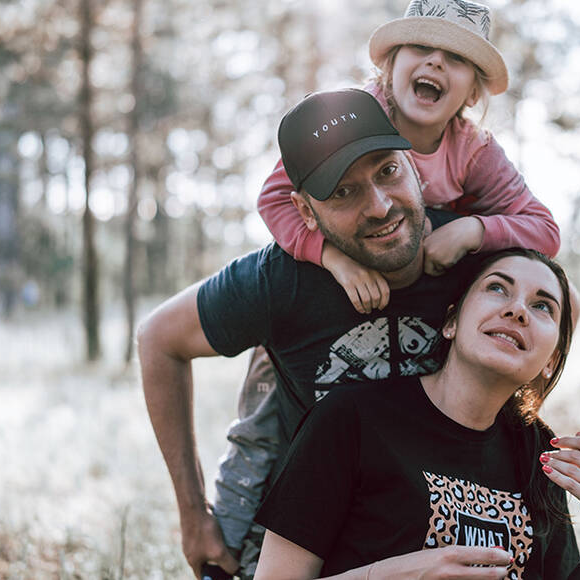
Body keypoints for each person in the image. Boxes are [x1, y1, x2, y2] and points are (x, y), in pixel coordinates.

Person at [139, 88, 487, 579]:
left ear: (414, 166)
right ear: (306, 213)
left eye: (387, 171)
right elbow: (158, 338)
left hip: (446, 531)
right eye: (343, 192)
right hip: (314, 539)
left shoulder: (478, 263)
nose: (380, 206)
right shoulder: (282, 278)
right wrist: (194, 516)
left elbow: (557, 307)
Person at [253, 250, 580, 579]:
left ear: (550, 359)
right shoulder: (351, 420)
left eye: (543, 307)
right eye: (497, 288)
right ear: (450, 322)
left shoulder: (541, 455)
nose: (517, 310)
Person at [258, 0, 560, 314]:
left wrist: (472, 230)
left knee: (565, 293)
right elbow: (275, 199)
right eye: (420, 46)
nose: (435, 61)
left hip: (427, 285)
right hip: (345, 269)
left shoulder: (474, 150)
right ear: (390, 66)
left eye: (457, 58)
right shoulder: (351, 117)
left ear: (473, 93)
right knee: (281, 298)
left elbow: (544, 230)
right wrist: (333, 258)